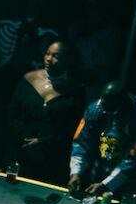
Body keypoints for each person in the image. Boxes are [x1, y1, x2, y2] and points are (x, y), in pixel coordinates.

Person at [6, 39, 85, 184]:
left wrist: (42, 142)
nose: (49, 59)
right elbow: (13, 114)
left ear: (67, 60)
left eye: (56, 56)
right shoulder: (28, 79)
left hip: (51, 156)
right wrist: (26, 140)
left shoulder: (75, 90)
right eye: (48, 54)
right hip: (21, 150)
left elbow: (71, 127)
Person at [68, 81, 136, 198]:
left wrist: (106, 184)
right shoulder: (95, 109)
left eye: (111, 112)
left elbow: (134, 157)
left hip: (130, 180)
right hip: (99, 171)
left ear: (124, 103)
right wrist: (76, 172)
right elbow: (82, 142)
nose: (106, 114)